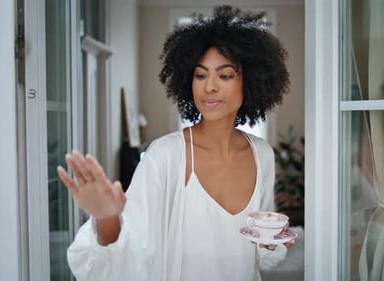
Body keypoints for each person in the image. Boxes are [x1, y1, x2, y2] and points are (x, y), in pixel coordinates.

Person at [57, 5, 292, 281]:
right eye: (200, 75)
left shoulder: (262, 154)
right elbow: (128, 251)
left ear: (251, 81)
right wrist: (107, 218)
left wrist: (271, 242)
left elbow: (262, 252)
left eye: (225, 75)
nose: (209, 87)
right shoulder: (166, 156)